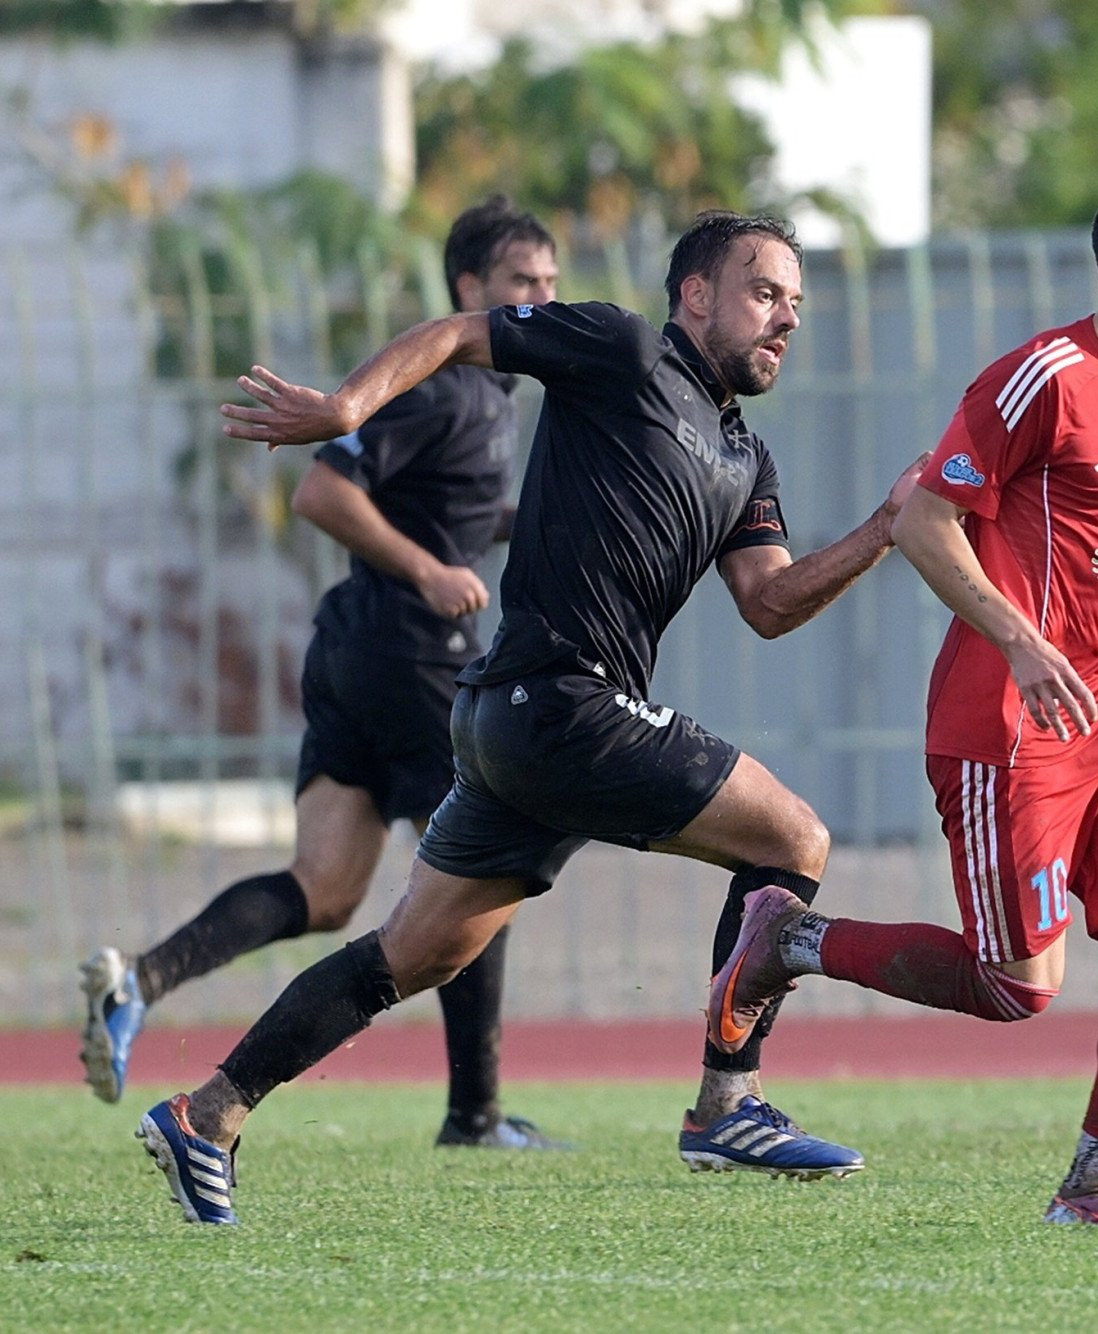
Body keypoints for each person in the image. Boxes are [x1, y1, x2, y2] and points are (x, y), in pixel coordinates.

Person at [134, 209, 923, 1224]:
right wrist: (344, 406)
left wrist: (884, 527)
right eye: (764, 292)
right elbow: (462, 333)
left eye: (794, 303)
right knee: (794, 838)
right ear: (695, 295)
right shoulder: (625, 350)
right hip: (561, 703)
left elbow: (768, 602)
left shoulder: (745, 455)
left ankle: (207, 1113)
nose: (786, 319)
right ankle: (728, 1102)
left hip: (520, 724)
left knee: (414, 954)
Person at [707, 181, 1098, 1226]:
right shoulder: (1039, 378)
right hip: (1009, 717)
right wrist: (1022, 640)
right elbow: (925, 522)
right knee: (1015, 986)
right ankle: (791, 939)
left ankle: (1093, 1186)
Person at [79, 196, 572, 1150]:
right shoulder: (444, 387)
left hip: (350, 650)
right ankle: (475, 1117)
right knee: (484, 870)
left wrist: (526, 528)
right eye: (523, 283)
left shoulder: (486, 395)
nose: (542, 302)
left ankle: (138, 982)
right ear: (469, 286)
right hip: (410, 655)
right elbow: (322, 493)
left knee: (326, 886)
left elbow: (445, 510)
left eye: (552, 283)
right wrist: (429, 570)